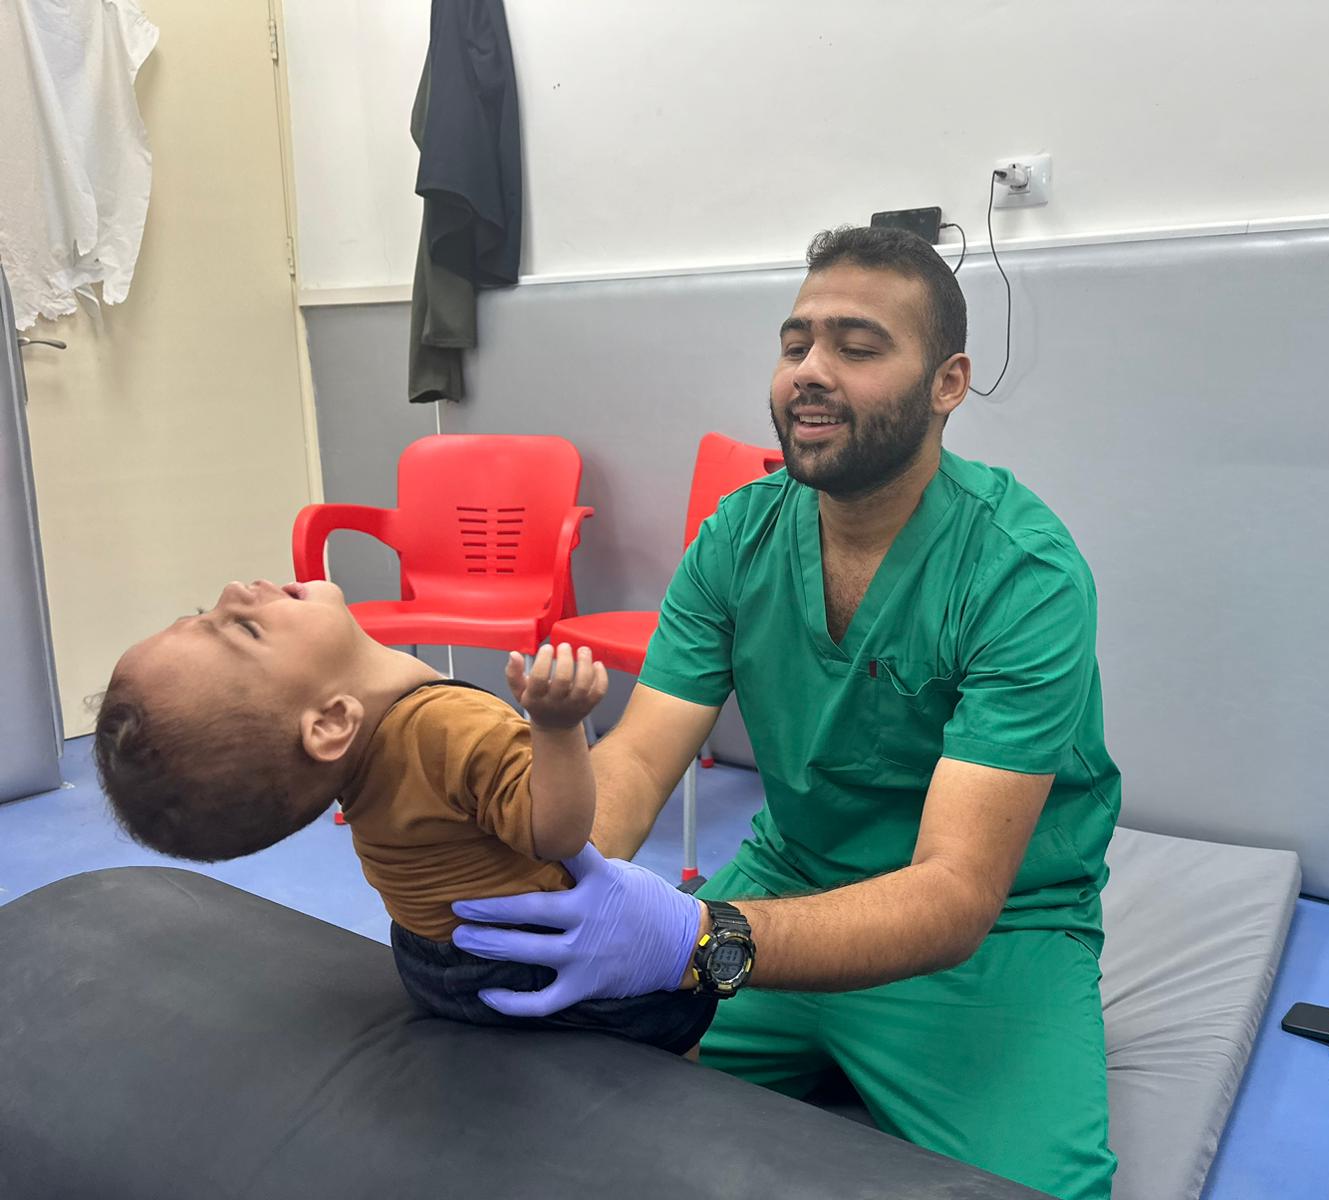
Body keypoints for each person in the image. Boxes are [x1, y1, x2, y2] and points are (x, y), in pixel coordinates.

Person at [450, 226, 1121, 1199]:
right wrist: (539, 874)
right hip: (789, 877)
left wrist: (697, 938)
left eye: (856, 348)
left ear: (948, 383)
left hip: (992, 935)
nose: (809, 372)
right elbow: (638, 762)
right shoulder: (738, 538)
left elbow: (954, 894)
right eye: (794, 342)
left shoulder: (1022, 575)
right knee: (552, 1091)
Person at [92, 580, 715, 1055]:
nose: (235, 591)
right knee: (698, 929)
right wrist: (556, 731)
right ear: (332, 723)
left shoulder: (357, 759)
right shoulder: (444, 727)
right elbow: (557, 833)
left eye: (208, 612)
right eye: (246, 630)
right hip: (538, 965)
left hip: (436, 968)